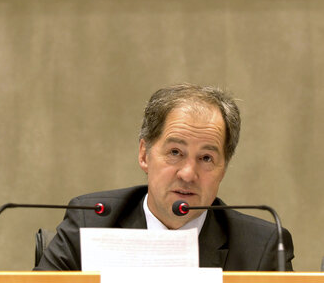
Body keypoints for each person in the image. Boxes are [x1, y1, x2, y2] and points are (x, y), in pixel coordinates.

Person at [34, 83, 294, 271]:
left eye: (206, 158)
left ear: (223, 169)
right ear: (145, 155)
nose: (188, 173)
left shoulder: (262, 247)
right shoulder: (91, 221)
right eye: (175, 152)